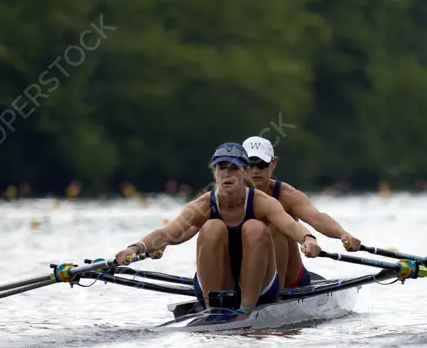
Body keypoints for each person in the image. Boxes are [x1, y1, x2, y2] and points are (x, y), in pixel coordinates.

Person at [114, 142, 322, 318]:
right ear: (214, 174)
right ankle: (213, 309)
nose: (227, 174)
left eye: (233, 168)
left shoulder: (262, 202)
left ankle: (246, 309)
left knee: (254, 227)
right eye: (221, 168)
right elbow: (167, 234)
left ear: (244, 174)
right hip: (218, 285)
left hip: (261, 287)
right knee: (212, 226)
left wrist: (308, 238)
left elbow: (289, 225)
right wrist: (135, 248)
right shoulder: (203, 205)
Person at [241, 136, 362, 288]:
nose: (255, 171)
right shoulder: (227, 197)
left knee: (277, 226)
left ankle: (275, 291)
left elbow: (317, 218)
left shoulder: (287, 195)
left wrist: (344, 235)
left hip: (289, 278)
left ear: (273, 164)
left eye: (261, 164)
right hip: (246, 273)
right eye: (249, 165)